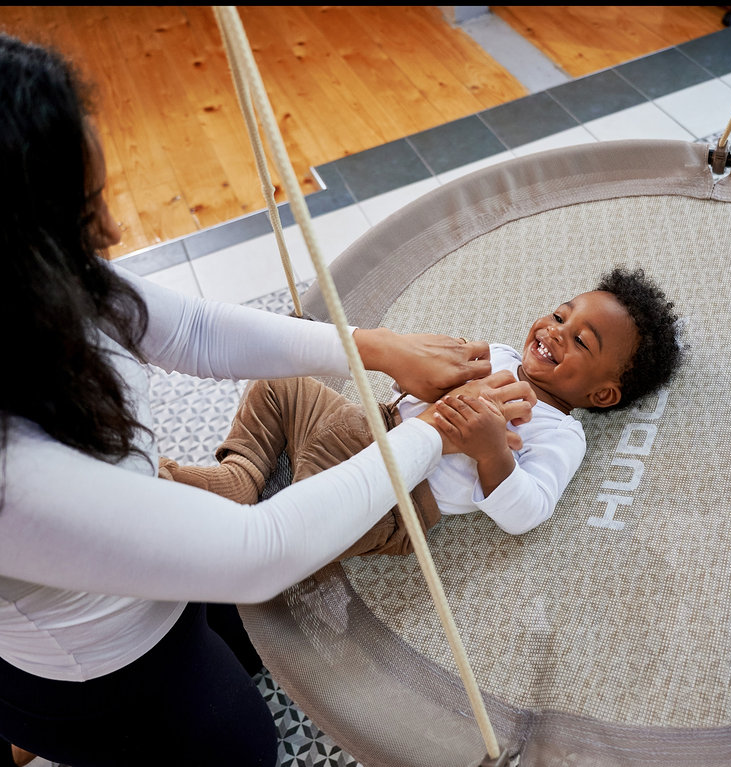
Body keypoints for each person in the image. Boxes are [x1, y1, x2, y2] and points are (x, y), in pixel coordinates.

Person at [0, 33, 535, 767]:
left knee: (250, 635)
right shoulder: (12, 473)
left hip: (153, 577)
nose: (114, 233)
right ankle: (34, 724)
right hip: (100, 673)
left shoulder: (51, 288)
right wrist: (437, 433)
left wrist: (371, 347)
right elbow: (261, 551)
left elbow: (192, 327)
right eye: (85, 212)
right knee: (245, 740)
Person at [160, 267, 682, 553]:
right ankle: (241, 473)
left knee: (309, 524)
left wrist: (491, 451)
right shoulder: (497, 354)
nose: (553, 333)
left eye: (580, 342)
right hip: (367, 426)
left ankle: (242, 522)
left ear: (603, 394)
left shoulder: (561, 435)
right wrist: (423, 363)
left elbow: (529, 512)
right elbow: (428, 377)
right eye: (559, 314)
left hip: (396, 499)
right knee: (283, 383)